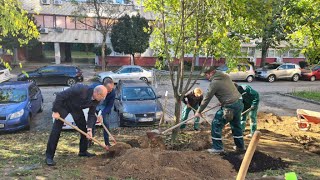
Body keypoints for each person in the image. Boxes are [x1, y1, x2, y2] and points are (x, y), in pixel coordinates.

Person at [45, 84, 108, 166]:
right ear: (97, 93)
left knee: (84, 130)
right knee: (56, 131)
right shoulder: (80, 89)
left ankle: (83, 151)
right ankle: (49, 157)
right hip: (64, 106)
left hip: (77, 109)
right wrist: (55, 111)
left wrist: (89, 129)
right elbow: (60, 95)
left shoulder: (97, 100)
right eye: (102, 96)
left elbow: (91, 114)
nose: (103, 99)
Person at [195, 66, 245, 154]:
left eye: (207, 74)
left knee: (216, 124)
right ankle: (240, 147)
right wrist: (224, 100)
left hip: (230, 106)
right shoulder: (225, 76)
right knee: (236, 126)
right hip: (239, 102)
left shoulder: (214, 83)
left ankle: (218, 148)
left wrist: (199, 111)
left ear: (212, 72)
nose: (206, 76)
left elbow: (206, 98)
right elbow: (228, 89)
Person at [89, 79, 115, 149]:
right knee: (91, 123)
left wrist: (102, 114)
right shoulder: (95, 88)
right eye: (109, 89)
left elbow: (109, 106)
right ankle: (90, 140)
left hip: (105, 107)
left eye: (112, 88)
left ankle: (107, 143)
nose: (110, 90)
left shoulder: (112, 93)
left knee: (106, 124)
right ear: (103, 87)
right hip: (95, 105)